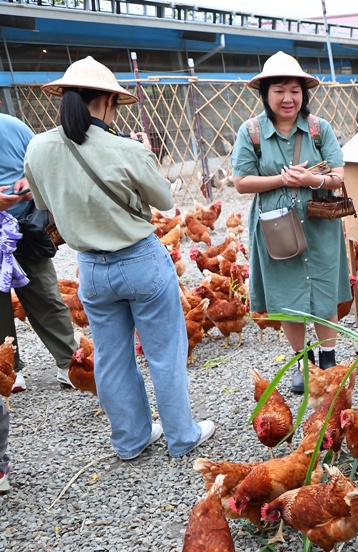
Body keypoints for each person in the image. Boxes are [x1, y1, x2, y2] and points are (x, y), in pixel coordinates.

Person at [23, 56, 214, 460]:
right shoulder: (126, 148)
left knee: (110, 359)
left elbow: (43, 202)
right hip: (140, 260)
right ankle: (182, 437)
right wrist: (145, 155)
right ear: (110, 101)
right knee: (164, 354)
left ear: (65, 97)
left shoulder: (38, 147)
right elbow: (164, 200)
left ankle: (130, 440)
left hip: (90, 268)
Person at [231, 51, 352, 394]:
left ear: (304, 94)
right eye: (280, 90)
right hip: (276, 226)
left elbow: (339, 175)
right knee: (287, 297)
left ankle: (328, 358)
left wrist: (313, 181)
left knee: (324, 288)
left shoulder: (319, 129)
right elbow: (241, 181)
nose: (288, 98)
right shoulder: (252, 131)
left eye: (295, 91)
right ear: (266, 94)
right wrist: (283, 181)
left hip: (319, 222)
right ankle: (304, 362)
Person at [0, 112, 78, 392]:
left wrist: (28, 181)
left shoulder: (12, 127)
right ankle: (8, 370)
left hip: (26, 228)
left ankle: (69, 362)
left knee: (46, 294)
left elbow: (44, 165)